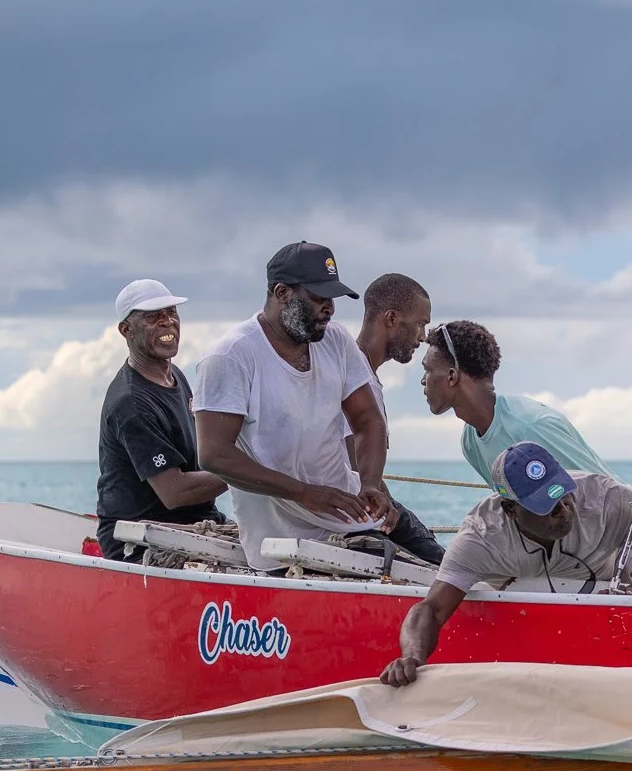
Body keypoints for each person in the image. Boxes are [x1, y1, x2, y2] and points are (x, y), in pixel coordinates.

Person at [380, 442, 632, 687]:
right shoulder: (482, 534)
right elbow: (431, 609)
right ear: (509, 509)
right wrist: (412, 657)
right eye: (546, 504)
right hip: (530, 603)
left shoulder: (607, 498)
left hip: (622, 594)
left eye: (562, 493)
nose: (563, 508)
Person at [193, 241, 397, 572]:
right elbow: (214, 454)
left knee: (441, 567)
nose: (329, 308)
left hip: (353, 520)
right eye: (318, 298)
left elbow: (367, 419)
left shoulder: (337, 340)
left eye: (332, 298)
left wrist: (370, 483)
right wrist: (303, 492)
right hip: (280, 545)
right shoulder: (231, 356)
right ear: (282, 292)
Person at [95, 279, 227, 561]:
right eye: (154, 317)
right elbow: (174, 493)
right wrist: (245, 472)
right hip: (137, 542)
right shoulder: (130, 402)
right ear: (126, 330)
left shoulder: (175, 375)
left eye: (172, 313)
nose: (168, 322)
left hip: (196, 525)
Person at [420, 320, 618, 486]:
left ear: (452, 376)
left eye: (427, 370)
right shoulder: (470, 440)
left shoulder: (532, 427)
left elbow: (609, 495)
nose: (423, 380)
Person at [344, 273, 445, 564]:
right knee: (444, 567)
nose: (423, 337)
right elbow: (351, 467)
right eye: (420, 324)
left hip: (368, 505)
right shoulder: (351, 375)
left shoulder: (365, 377)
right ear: (391, 319)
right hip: (350, 512)